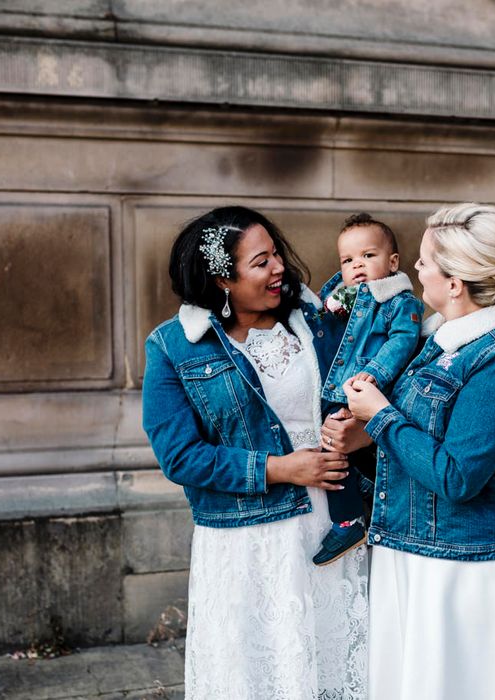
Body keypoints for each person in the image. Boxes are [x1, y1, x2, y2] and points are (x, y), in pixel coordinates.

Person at [332, 203, 495, 699]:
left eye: (422, 262)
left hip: (466, 563)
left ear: (455, 283)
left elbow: (458, 475)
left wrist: (382, 416)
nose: (414, 269)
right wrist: (366, 432)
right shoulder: (439, 339)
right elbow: (429, 430)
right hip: (414, 544)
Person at [141, 206, 368, 699]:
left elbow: (379, 388)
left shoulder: (319, 318)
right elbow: (180, 457)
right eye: (260, 261)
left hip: (334, 522)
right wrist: (280, 468)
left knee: (339, 658)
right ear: (222, 280)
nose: (279, 268)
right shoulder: (174, 346)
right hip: (248, 540)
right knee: (265, 670)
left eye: (276, 254)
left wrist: (362, 434)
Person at [314, 213, 424, 566]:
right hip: (337, 390)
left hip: (369, 390)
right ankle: (351, 513)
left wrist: (373, 373)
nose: (357, 265)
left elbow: (402, 340)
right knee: (334, 451)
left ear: (393, 263)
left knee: (354, 450)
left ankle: (354, 516)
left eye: (368, 256)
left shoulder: (399, 302)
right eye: (348, 260)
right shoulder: (340, 300)